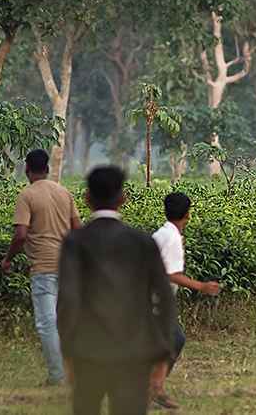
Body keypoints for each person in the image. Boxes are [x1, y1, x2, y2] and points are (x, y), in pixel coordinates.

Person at [58, 167, 177, 415]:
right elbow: (165, 298)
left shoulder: (74, 242)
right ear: (123, 198)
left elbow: (68, 299)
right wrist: (162, 352)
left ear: (87, 198)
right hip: (134, 351)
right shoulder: (142, 242)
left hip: (88, 350)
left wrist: (68, 350)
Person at [0, 149, 82, 385]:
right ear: (47, 168)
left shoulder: (27, 195)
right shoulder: (64, 193)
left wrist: (7, 259)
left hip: (43, 268)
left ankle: (57, 376)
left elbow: (20, 235)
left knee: (47, 323)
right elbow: (78, 228)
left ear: (27, 169)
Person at [149, 192, 221, 410]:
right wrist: (202, 286)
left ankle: (152, 387)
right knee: (174, 339)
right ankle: (154, 388)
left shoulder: (161, 233)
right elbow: (172, 274)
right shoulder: (172, 238)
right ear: (188, 214)